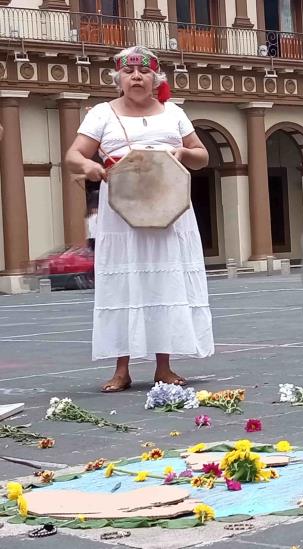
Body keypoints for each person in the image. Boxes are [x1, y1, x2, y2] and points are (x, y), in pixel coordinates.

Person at [65, 46, 215, 392]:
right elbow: (74, 155)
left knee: (165, 280)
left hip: (170, 208)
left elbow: (202, 157)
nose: (137, 77)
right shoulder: (102, 114)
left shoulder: (173, 113)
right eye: (130, 72)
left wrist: (181, 152)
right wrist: (88, 166)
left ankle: (164, 367)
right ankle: (122, 369)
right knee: (125, 281)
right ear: (118, 79)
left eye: (144, 72)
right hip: (122, 211)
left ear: (155, 78)